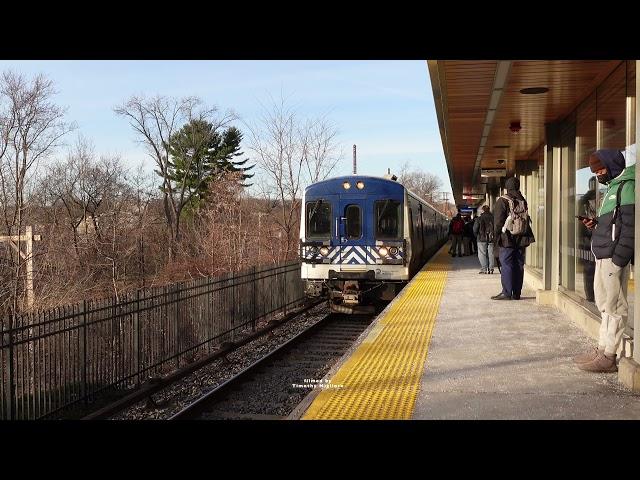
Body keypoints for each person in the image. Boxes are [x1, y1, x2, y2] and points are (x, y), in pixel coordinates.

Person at [573, 149, 635, 373]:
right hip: (603, 253)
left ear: (611, 165)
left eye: (600, 169)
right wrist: (596, 224)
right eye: (595, 171)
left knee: (615, 306)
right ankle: (602, 348)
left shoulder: (627, 187)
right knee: (604, 305)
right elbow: (614, 225)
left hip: (612, 257)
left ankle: (609, 355)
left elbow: (630, 228)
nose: (598, 174)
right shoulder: (611, 189)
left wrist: (619, 260)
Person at [491, 177, 535, 300]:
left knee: (507, 264)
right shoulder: (522, 200)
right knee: (519, 264)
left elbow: (498, 223)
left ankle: (506, 292)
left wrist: (496, 238)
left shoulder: (503, 200)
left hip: (507, 238)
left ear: (507, 187)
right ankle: (516, 293)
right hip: (522, 237)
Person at [473, 204, 495, 274]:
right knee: (491, 254)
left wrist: (477, 236)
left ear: (482, 210)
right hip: (491, 238)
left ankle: (484, 269)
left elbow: (475, 229)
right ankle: (491, 269)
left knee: (482, 254)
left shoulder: (479, 218)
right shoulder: (493, 218)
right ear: (489, 210)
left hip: (481, 239)